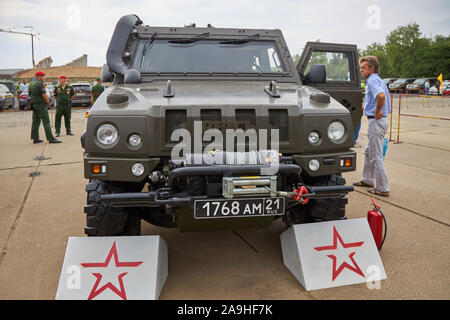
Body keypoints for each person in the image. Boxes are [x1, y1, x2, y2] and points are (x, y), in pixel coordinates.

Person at [353, 56, 390, 197]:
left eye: (363, 67)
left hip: (377, 122)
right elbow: (377, 97)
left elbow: (380, 96)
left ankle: (383, 187)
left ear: (371, 68)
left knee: (376, 156)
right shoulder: (377, 80)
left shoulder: (372, 80)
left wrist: (377, 110)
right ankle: (368, 179)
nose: (361, 70)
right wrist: (368, 106)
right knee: (369, 151)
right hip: (378, 122)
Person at [29, 71, 61, 144]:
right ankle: (51, 138)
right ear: (39, 77)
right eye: (43, 76)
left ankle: (35, 138)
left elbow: (30, 94)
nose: (44, 78)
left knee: (35, 122)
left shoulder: (31, 84)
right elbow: (44, 95)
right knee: (46, 121)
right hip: (41, 104)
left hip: (34, 104)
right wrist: (48, 102)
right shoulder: (40, 84)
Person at [354, 80, 366, 147]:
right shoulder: (360, 95)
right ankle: (354, 141)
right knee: (357, 125)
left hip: (355, 108)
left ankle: (353, 140)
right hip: (357, 109)